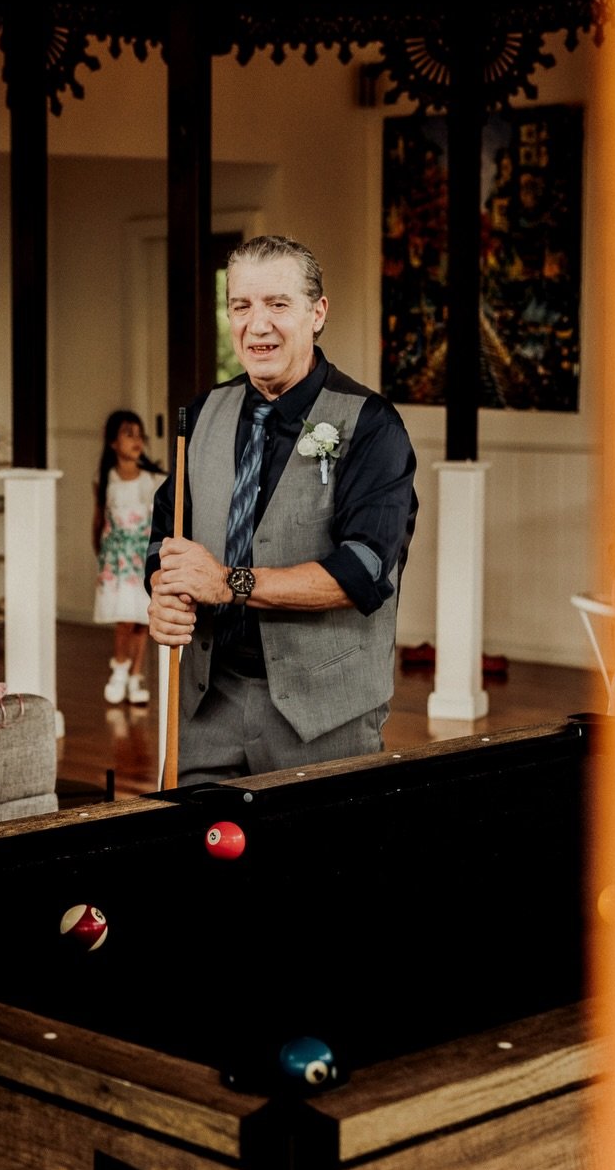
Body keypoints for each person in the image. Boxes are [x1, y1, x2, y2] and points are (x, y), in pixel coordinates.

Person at [147, 234, 417, 784]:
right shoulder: (202, 415)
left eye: (277, 304)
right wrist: (162, 587)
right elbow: (164, 534)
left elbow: (362, 573)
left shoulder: (371, 425)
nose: (258, 324)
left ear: (317, 314)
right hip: (205, 707)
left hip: (322, 718)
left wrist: (231, 582)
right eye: (241, 306)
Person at [91, 410, 163, 706]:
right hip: (117, 561)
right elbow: (99, 519)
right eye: (128, 434)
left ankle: (136, 676)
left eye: (139, 434)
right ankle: (119, 668)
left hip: (140, 559)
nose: (136, 441)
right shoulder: (105, 479)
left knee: (141, 619)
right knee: (124, 619)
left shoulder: (152, 480)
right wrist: (100, 551)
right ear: (112, 442)